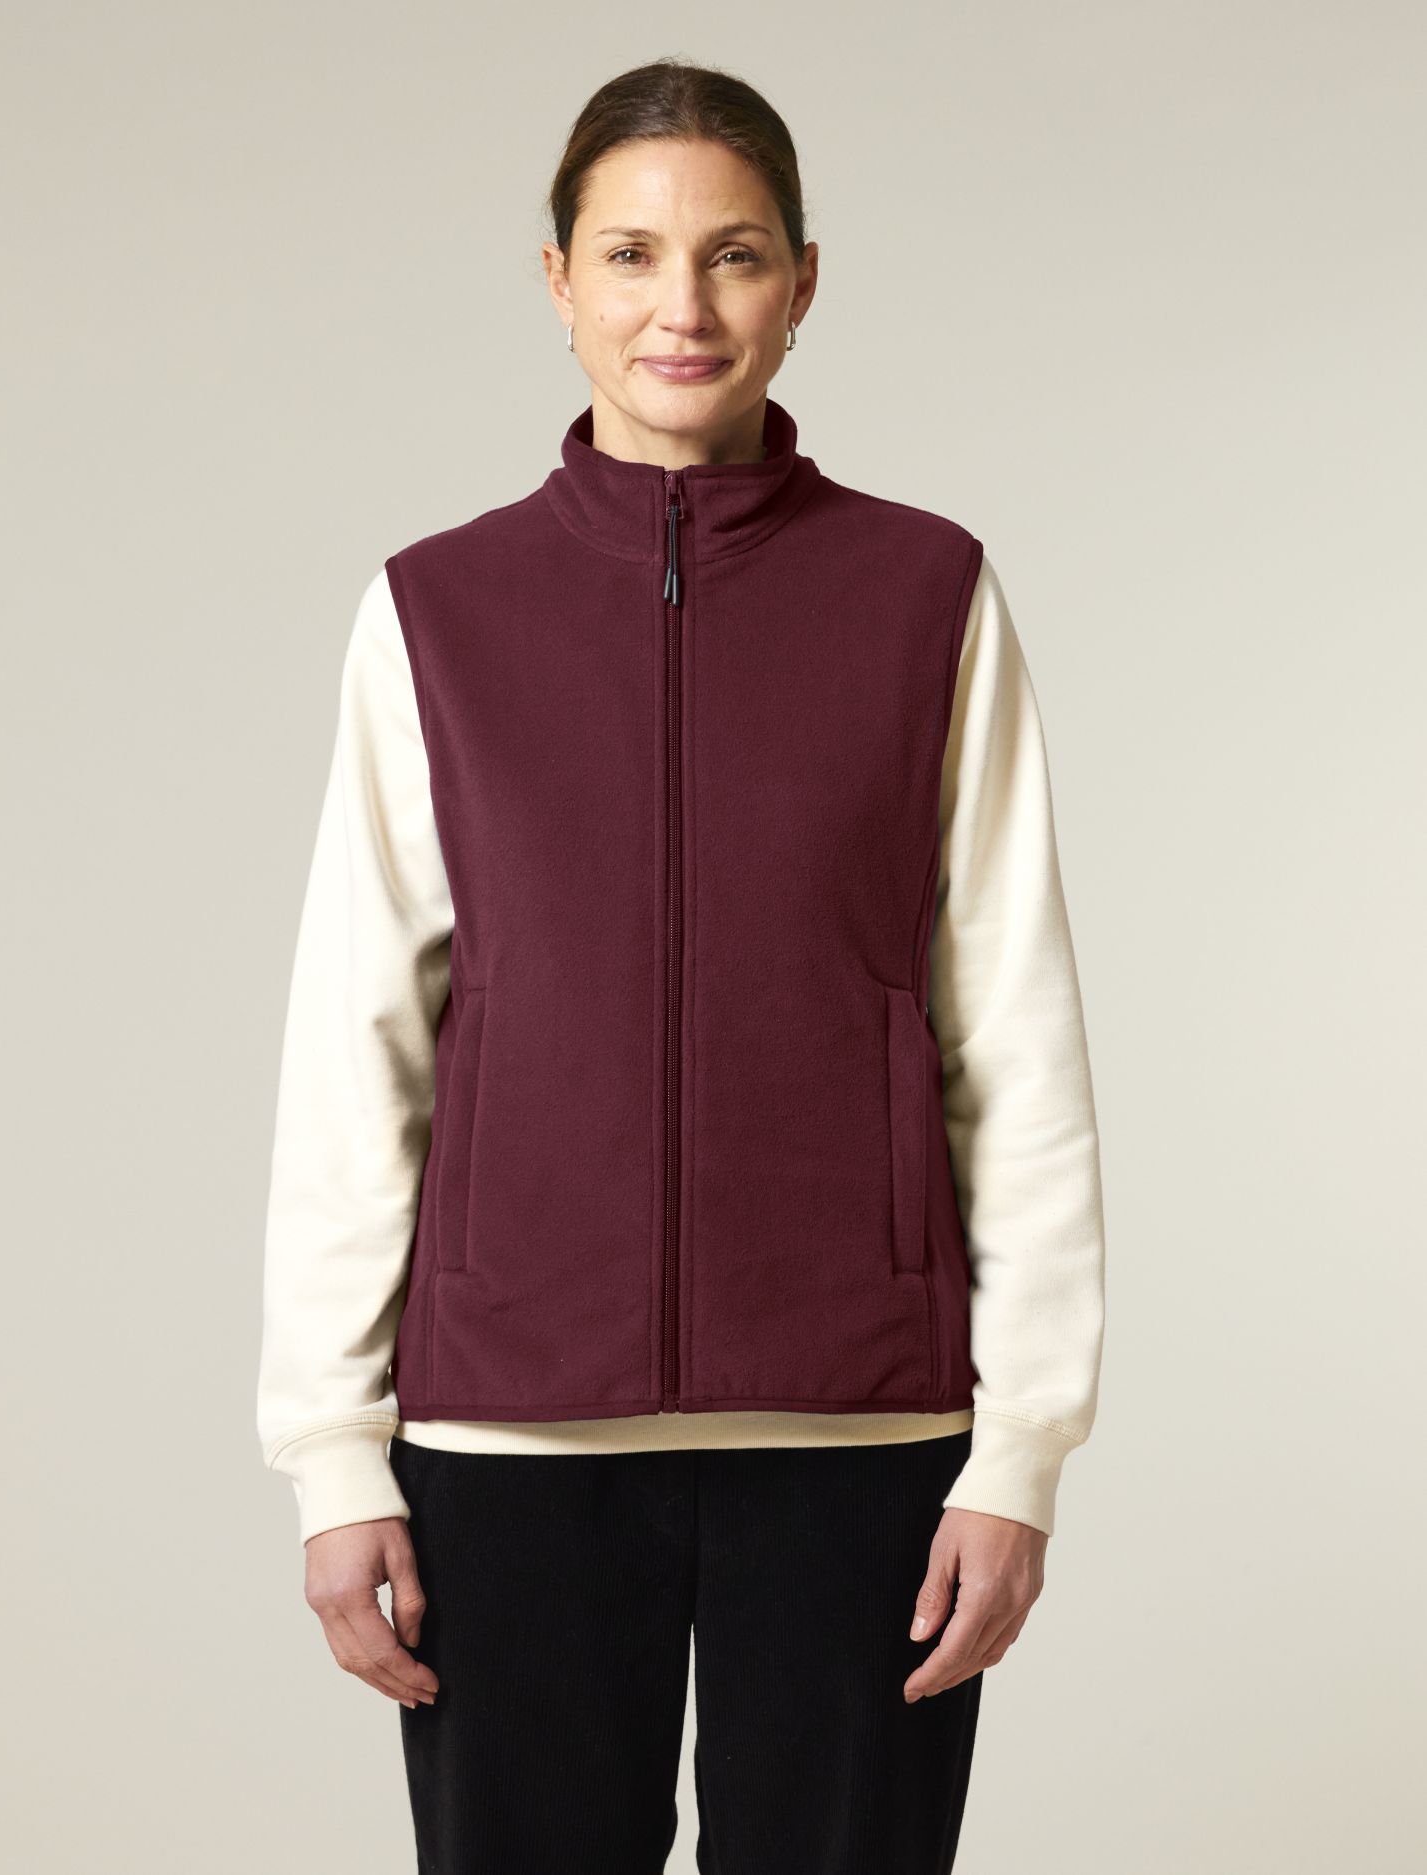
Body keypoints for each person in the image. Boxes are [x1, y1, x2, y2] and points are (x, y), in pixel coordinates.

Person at [257, 56, 1105, 1875]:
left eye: (733, 255)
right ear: (557, 280)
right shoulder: (436, 612)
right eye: (631, 254)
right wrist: (332, 1448)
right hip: (507, 1439)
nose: (683, 307)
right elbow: (360, 1043)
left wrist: (1022, 1448)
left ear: (803, 282)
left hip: (866, 1438)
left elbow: (1014, 1035)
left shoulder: (926, 595)